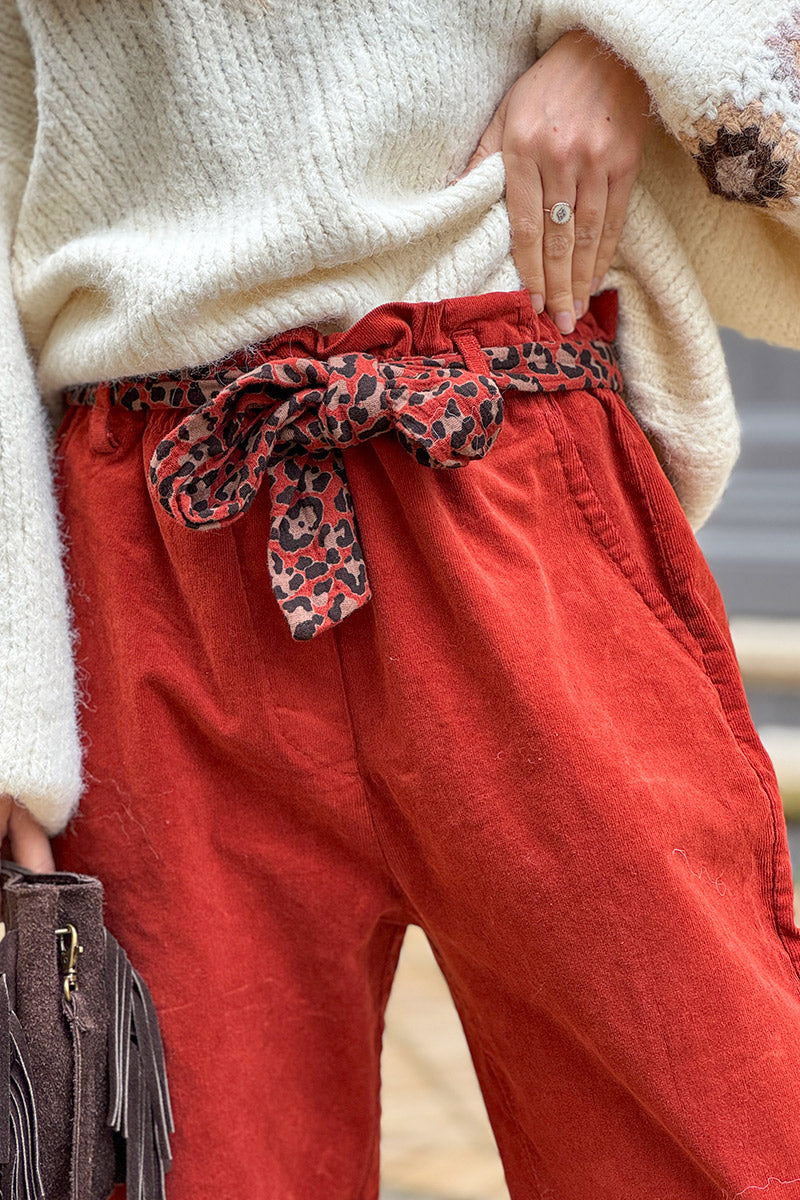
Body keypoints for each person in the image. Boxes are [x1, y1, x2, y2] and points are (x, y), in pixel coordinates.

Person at [1, 1, 800, 1196]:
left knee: (724, 1131)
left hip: (499, 470)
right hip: (147, 555)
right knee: (195, 1166)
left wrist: (627, 53)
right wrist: (16, 728)